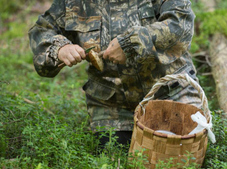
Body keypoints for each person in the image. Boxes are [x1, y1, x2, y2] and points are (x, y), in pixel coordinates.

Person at [28, 0, 202, 146]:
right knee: (114, 155)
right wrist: (60, 48)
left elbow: (181, 24)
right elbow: (42, 29)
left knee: (181, 151)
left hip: (171, 92)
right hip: (112, 105)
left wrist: (130, 44)